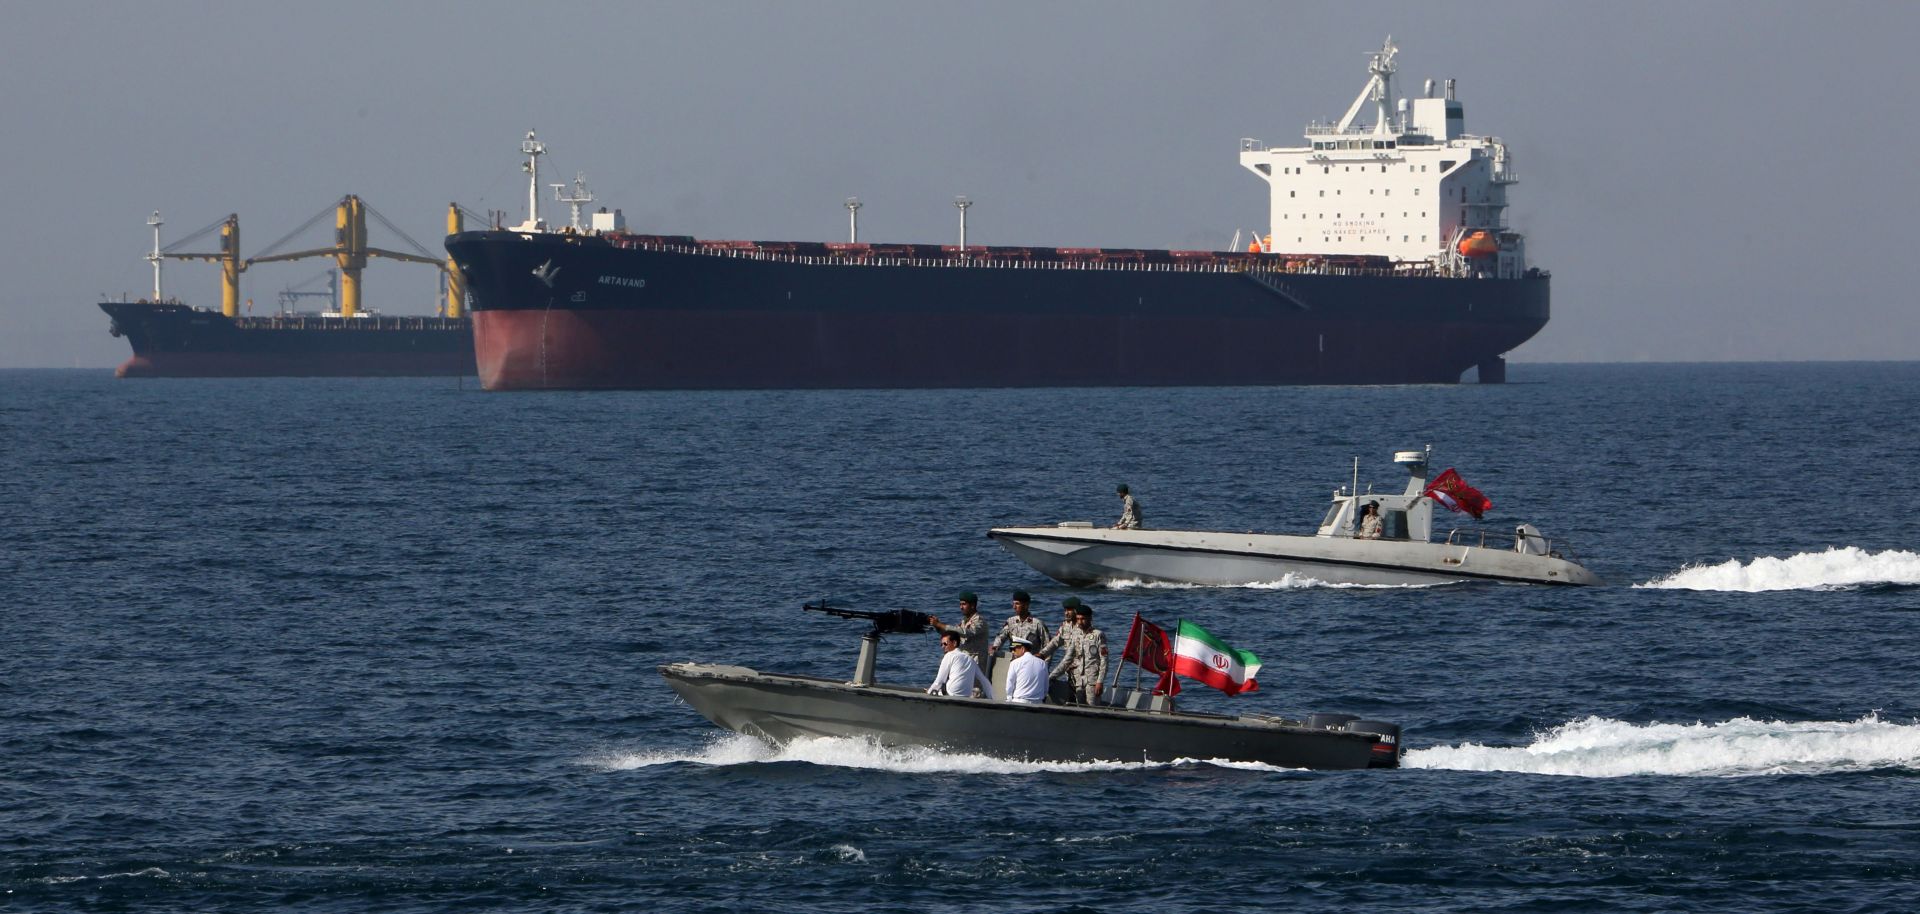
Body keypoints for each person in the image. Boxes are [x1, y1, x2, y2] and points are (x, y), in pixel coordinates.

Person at [927, 591, 990, 686]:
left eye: (964, 604)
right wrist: (938, 627)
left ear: (972, 605)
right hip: (964, 661)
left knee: (974, 690)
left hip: (976, 661)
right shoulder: (964, 621)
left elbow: (966, 632)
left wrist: (941, 625)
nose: (961, 607)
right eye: (960, 604)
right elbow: (953, 635)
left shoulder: (980, 621)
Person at [1039, 597, 1083, 703]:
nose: (1066, 613)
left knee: (1082, 703)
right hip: (1069, 674)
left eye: (1069, 610)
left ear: (1076, 610)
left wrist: (1053, 675)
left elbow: (1069, 658)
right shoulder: (1065, 626)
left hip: (1081, 674)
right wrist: (1041, 654)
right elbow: (1055, 642)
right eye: (1065, 610)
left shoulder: (1082, 629)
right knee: (1071, 701)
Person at [927, 630, 993, 698]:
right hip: (967, 695)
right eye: (941, 644)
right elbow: (984, 681)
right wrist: (992, 699)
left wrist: (929, 691)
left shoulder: (949, 655)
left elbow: (940, 680)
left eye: (945, 643)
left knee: (940, 686)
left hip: (951, 693)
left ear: (954, 643)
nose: (943, 647)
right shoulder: (970, 659)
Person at [1066, 604, 1110, 705]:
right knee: (1079, 708)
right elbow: (1069, 658)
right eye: (1078, 619)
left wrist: (1100, 681)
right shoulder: (1076, 635)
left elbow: (1104, 660)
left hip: (1092, 681)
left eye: (1083, 619)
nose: (1080, 622)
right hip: (1078, 681)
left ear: (1090, 618)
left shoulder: (1098, 635)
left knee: (1092, 709)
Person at [988, 590, 1050, 657]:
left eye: (1017, 604)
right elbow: (1001, 637)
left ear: (1026, 605)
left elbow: (1048, 646)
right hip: (1014, 661)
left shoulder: (1037, 624)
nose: (1014, 607)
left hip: (1030, 662)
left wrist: (1043, 663)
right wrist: (996, 646)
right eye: (1013, 604)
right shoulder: (1010, 622)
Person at [1002, 637, 1049, 703]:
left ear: (1022, 649)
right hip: (1038, 703)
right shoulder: (1043, 663)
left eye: (1014, 649)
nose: (1012, 652)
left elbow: (1010, 684)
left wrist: (1009, 698)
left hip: (1020, 702)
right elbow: (1046, 687)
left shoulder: (1015, 663)